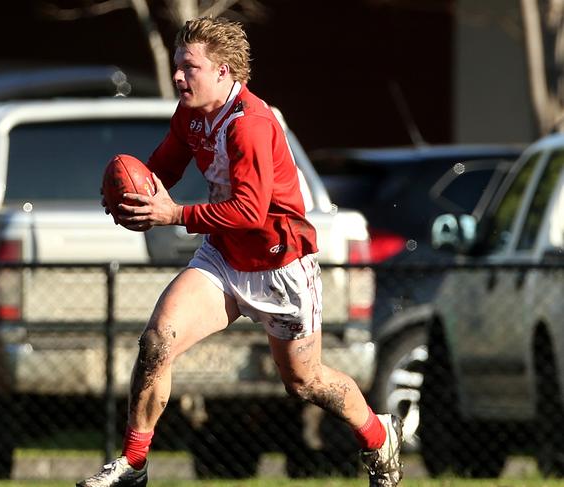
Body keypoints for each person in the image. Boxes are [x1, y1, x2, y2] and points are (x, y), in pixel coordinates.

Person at [77, 16, 403, 487]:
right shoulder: (191, 115)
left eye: (189, 67)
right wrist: (133, 194)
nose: (177, 77)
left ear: (225, 70)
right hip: (224, 258)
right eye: (176, 66)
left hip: (280, 263)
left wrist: (172, 215)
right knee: (157, 342)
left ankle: (378, 436)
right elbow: (160, 171)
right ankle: (133, 464)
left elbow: (250, 212)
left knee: (305, 381)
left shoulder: (250, 125)